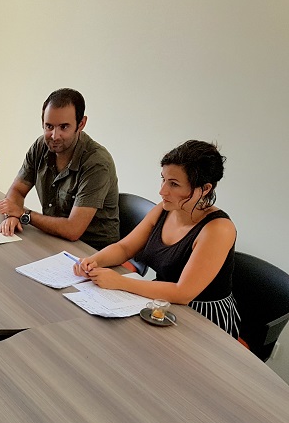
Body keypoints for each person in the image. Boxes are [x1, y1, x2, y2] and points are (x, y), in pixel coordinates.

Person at [72, 140, 240, 337]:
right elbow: (125, 248)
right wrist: (94, 261)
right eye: (164, 180)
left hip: (202, 317)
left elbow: (183, 293)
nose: (162, 191)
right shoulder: (164, 209)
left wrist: (119, 281)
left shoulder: (218, 229)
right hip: (161, 302)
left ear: (205, 189)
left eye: (174, 184)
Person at [0, 88, 120, 249]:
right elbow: (18, 190)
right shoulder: (41, 146)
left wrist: (23, 214)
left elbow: (73, 230)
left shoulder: (97, 163)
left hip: (92, 251)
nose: (54, 136)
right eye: (49, 126)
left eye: (64, 127)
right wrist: (11, 215)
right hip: (54, 239)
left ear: (81, 124)